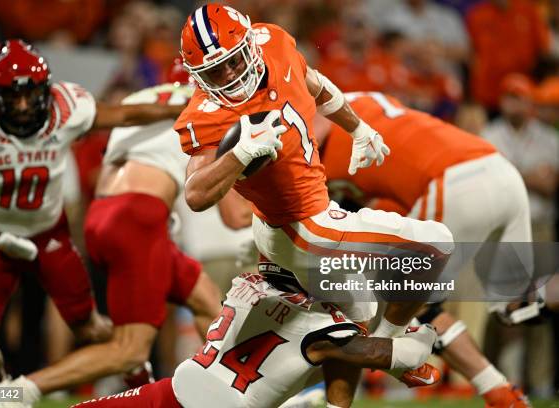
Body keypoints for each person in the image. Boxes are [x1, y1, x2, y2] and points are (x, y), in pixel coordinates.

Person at [174, 4, 454, 406]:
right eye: (216, 71)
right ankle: (399, 351)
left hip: (297, 221)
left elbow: (313, 82)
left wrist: (357, 127)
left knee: (356, 315)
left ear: (251, 45)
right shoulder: (207, 113)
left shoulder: (274, 42)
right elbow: (195, 194)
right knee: (436, 244)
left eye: (234, 62)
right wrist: (241, 154)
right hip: (302, 227)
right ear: (198, 75)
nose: (231, 75)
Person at [0, 39, 184, 392]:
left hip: (49, 235)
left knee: (87, 326)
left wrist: (179, 108)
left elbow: (124, 115)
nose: (25, 105)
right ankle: (2, 393)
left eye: (31, 95)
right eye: (13, 96)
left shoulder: (66, 108)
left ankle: (133, 361)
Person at [0, 80, 225, 407]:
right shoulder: (211, 102)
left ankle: (224, 394)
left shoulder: (140, 95)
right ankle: (21, 390)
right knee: (130, 349)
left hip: (103, 213)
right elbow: (230, 207)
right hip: (140, 216)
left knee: (209, 302)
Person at [316, 91, 534, 407]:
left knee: (395, 293)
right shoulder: (370, 102)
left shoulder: (318, 142)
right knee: (520, 305)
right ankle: (499, 392)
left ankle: (387, 360)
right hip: (502, 171)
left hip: (454, 181)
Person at [69, 270, 439, 408]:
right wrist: (426, 334)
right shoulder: (326, 332)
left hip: (177, 387)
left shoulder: (249, 282)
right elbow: (392, 355)